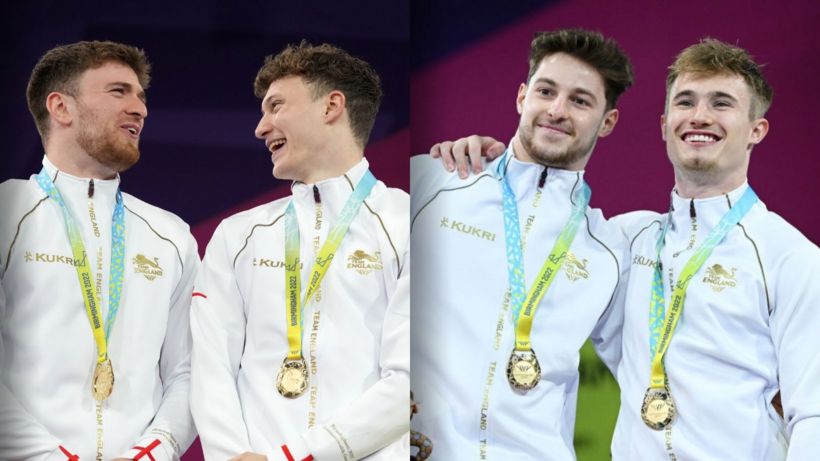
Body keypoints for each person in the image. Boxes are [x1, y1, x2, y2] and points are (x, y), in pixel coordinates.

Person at [435, 38, 820, 460]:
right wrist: (478, 166)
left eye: (721, 103)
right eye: (686, 102)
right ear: (663, 124)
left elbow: (812, 415)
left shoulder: (789, 257)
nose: (699, 117)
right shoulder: (621, 243)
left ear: (756, 131)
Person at [410, 29, 633, 459]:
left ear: (607, 122)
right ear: (521, 97)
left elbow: (652, 369)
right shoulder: (432, 180)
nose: (556, 110)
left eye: (580, 100)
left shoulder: (608, 251)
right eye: (546, 91)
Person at [190, 42, 409, 461]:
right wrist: (233, 456)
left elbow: (406, 383)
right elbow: (210, 369)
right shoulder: (237, 236)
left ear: (331, 107)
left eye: (275, 106)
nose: (261, 127)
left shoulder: (407, 225)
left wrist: (295, 457)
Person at [0, 41, 198, 461]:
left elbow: (187, 373)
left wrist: (152, 453)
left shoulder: (171, 235)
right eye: (118, 92)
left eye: (141, 97)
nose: (140, 109)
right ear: (61, 107)